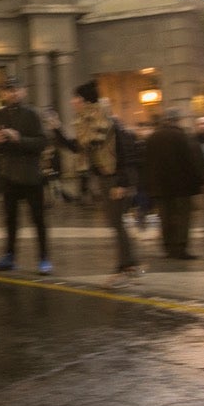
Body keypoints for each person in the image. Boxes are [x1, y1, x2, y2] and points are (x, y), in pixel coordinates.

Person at [64, 81, 140, 277]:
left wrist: (122, 183)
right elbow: (79, 147)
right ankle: (128, 262)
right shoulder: (87, 122)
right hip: (105, 177)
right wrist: (56, 129)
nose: (73, 101)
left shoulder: (106, 121)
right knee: (116, 222)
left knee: (117, 222)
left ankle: (127, 263)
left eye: (76, 98)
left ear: (85, 100)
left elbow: (124, 152)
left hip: (115, 178)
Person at [0, 76, 51, 274]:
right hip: (9, 176)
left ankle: (43, 258)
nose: (12, 93)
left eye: (16, 89)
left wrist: (19, 139)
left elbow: (42, 143)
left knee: (38, 219)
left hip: (31, 176)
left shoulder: (32, 114)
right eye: (8, 90)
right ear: (3, 94)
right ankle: (9, 256)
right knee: (10, 219)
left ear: (23, 91)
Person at [141, 109, 204, 260]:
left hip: (159, 187)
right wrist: (200, 181)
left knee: (165, 217)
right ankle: (180, 247)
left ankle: (168, 247)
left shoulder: (152, 138)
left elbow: (146, 164)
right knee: (183, 217)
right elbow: (192, 162)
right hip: (181, 187)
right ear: (177, 120)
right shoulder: (184, 137)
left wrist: (148, 185)